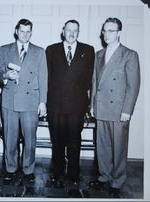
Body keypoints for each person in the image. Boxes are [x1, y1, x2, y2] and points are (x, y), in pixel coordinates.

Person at [89, 17, 140, 198]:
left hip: (119, 110)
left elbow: (133, 86)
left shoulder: (129, 54)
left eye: (111, 30)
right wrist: (92, 105)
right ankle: (104, 176)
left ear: (119, 32)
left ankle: (117, 181)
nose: (106, 34)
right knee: (102, 146)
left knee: (119, 147)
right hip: (101, 107)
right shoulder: (99, 54)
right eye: (104, 30)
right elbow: (95, 82)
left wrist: (128, 110)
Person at [0, 19, 47, 181]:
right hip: (10, 101)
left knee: (30, 139)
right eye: (22, 31)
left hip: (31, 102)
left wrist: (42, 102)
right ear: (16, 31)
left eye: (28, 31)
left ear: (31, 32)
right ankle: (10, 168)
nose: (25, 34)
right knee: (10, 137)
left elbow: (44, 79)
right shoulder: (4, 50)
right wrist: (5, 75)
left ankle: (28, 169)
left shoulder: (39, 51)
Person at [46, 20, 95, 184]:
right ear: (63, 31)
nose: (72, 33)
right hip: (55, 104)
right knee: (57, 140)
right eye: (69, 30)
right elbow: (47, 78)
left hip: (76, 104)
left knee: (75, 140)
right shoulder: (51, 50)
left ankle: (74, 172)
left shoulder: (88, 50)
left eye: (75, 30)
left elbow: (89, 79)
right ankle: (57, 171)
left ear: (78, 32)